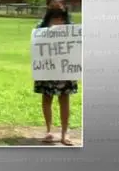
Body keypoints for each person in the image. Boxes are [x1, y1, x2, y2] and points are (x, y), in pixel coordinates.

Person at [34, 8, 78, 146]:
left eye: (61, 19)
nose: (58, 21)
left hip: (65, 71)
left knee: (64, 100)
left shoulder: (72, 31)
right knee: (47, 99)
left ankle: (65, 133)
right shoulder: (40, 31)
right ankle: (49, 131)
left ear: (65, 20)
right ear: (49, 20)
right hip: (47, 70)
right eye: (54, 18)